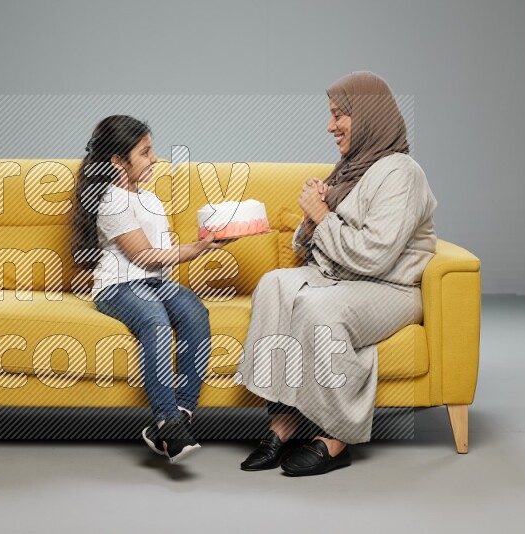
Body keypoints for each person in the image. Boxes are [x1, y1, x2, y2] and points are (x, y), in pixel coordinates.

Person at [236, 71, 438, 476]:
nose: (331, 126)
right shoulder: (351, 168)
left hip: (388, 287)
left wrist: (322, 214)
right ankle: (284, 422)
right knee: (274, 285)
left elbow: (376, 256)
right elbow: (309, 244)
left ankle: (335, 436)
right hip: (344, 277)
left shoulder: (402, 173)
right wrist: (313, 221)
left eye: (339, 115)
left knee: (320, 311)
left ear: (367, 116)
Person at [72, 115, 232, 463]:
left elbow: (159, 265)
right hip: (117, 286)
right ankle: (165, 420)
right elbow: (144, 257)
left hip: (154, 282)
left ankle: (179, 419)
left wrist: (212, 235)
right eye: (145, 153)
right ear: (117, 161)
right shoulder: (111, 200)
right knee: (155, 320)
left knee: (194, 312)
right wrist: (200, 248)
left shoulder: (149, 200)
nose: (155, 159)